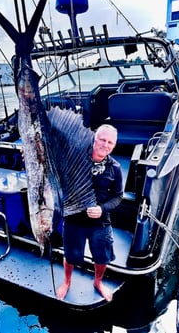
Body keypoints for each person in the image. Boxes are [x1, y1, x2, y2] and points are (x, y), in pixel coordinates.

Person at [56, 124, 123, 301]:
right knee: (70, 255)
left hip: (100, 221)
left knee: (102, 257)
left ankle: (98, 282)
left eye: (110, 142)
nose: (106, 145)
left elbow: (117, 196)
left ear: (114, 145)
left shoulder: (115, 168)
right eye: (102, 139)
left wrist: (103, 208)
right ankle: (67, 281)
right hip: (73, 218)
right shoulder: (75, 157)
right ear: (94, 138)